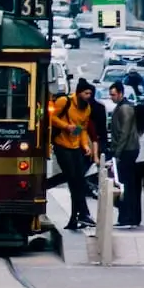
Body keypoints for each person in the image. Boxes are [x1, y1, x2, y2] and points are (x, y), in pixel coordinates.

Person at [50, 79, 95, 230]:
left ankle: (76, 217)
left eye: (90, 93)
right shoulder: (65, 101)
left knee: (77, 182)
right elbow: (52, 118)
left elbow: (82, 129)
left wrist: (85, 146)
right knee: (73, 179)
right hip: (62, 145)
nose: (88, 96)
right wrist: (66, 126)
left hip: (75, 147)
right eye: (86, 93)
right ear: (79, 92)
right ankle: (82, 213)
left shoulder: (87, 108)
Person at [108, 82, 142, 228]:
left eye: (113, 94)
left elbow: (124, 133)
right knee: (126, 184)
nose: (111, 97)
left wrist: (117, 153)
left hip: (127, 150)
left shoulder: (125, 108)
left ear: (121, 93)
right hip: (127, 150)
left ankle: (128, 216)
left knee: (126, 184)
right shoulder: (122, 107)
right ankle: (127, 216)